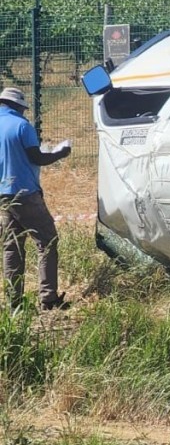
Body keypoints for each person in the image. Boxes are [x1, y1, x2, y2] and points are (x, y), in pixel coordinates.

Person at [0, 87, 72, 310]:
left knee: (12, 248)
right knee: (47, 242)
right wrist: (61, 153)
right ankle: (48, 299)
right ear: (18, 106)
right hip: (26, 194)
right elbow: (37, 157)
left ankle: (14, 304)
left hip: (3, 195)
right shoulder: (22, 126)